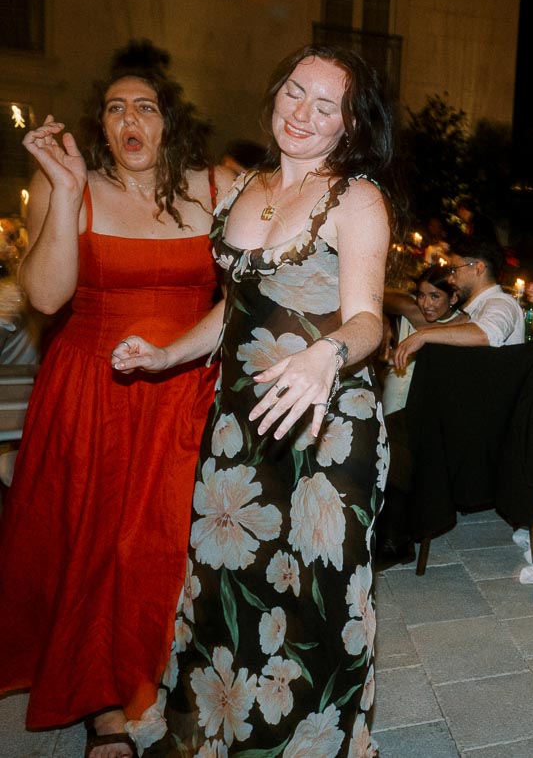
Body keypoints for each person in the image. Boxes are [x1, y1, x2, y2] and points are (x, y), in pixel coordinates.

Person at [112, 44, 401, 756]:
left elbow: (370, 319)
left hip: (327, 428)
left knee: (314, 606)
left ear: (350, 126)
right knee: (225, 590)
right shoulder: (245, 188)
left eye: (324, 105)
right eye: (294, 92)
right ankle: (224, 737)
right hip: (241, 426)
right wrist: (167, 354)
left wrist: (322, 355)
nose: (301, 113)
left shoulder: (356, 198)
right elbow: (238, 306)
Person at [0, 44, 220, 758]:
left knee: (169, 542)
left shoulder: (214, 189)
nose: (131, 118)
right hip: (92, 392)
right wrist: (62, 193)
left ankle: (168, 670)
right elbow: (45, 296)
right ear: (101, 125)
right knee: (100, 543)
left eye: (146, 106)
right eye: (116, 107)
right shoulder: (66, 184)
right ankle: (104, 706)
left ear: (169, 123)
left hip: (186, 391)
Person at [377, 265, 463, 565]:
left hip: (433, 413)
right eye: (421, 295)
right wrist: (385, 322)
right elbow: (378, 294)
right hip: (397, 402)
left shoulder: (463, 325)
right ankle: (392, 537)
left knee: (402, 447)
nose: (426, 304)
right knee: (392, 445)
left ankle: (395, 538)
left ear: (453, 298)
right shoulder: (414, 314)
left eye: (435, 296)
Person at [390, 235, 523, 369]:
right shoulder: (477, 309)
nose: (450, 279)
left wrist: (422, 336)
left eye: (454, 270)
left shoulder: (502, 303)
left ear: (479, 268)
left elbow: (488, 334)